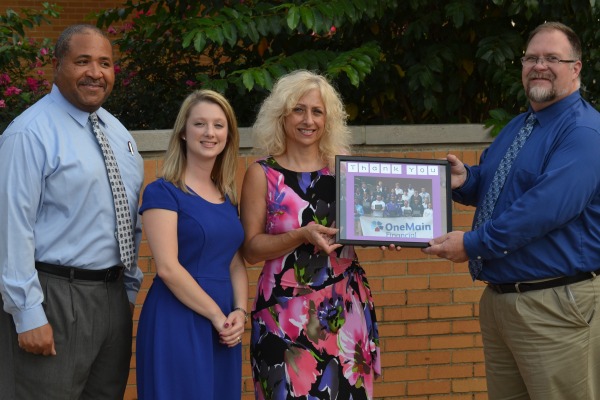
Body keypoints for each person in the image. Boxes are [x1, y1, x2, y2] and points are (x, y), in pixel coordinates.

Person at [423, 22, 600, 400]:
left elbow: (541, 211)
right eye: (532, 58)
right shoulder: (520, 126)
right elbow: (496, 185)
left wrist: (471, 244)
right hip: (502, 304)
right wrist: (464, 181)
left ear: (576, 68)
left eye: (553, 58)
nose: (539, 65)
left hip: (555, 306)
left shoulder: (583, 133)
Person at [0, 24, 144, 399]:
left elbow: (130, 219)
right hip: (54, 297)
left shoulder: (121, 136)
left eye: (105, 63)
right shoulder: (29, 133)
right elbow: (11, 228)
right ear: (57, 65)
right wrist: (27, 313)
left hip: (112, 298)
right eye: (83, 61)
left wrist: (126, 293)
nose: (95, 72)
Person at [240, 70, 393, 400]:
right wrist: (300, 235)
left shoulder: (345, 170)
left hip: (343, 311)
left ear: (328, 119)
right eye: (298, 109)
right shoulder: (262, 174)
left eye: (317, 111)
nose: (307, 120)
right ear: (281, 114)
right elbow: (251, 250)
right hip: (282, 315)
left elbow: (369, 226)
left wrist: (385, 232)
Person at [136, 90, 248, 399]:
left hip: (224, 324)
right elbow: (169, 268)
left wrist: (239, 311)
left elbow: (235, 261)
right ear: (183, 132)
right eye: (200, 124)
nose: (210, 133)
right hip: (178, 318)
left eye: (218, 125)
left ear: (229, 134)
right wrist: (216, 315)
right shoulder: (162, 192)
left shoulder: (227, 196)